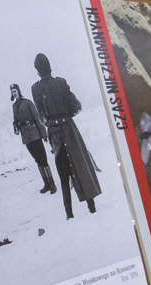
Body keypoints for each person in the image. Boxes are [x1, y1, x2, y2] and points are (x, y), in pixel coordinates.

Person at [31, 53, 101, 219]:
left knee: (63, 174)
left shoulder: (35, 89)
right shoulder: (61, 83)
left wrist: (52, 122)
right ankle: (92, 208)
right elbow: (76, 105)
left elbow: (42, 117)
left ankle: (69, 214)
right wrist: (66, 115)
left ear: (38, 71)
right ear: (49, 66)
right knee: (80, 165)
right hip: (70, 130)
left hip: (55, 136)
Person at [11, 83, 56, 194]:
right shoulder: (14, 106)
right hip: (26, 137)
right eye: (12, 92)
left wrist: (43, 134)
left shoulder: (28, 103)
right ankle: (46, 183)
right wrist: (15, 127)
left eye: (15, 91)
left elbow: (37, 118)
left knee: (43, 159)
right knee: (37, 160)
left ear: (19, 91)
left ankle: (52, 184)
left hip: (35, 134)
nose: (14, 93)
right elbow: (15, 120)